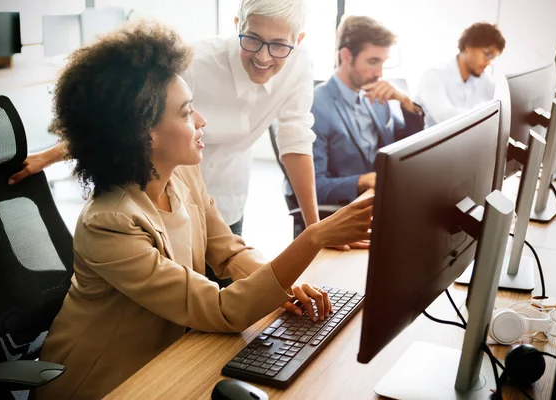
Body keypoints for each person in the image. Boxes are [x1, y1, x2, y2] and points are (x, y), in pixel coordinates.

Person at [33, 21, 372, 400]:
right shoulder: (110, 223)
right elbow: (223, 310)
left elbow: (227, 250)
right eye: (186, 112)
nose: (202, 121)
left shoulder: (185, 175)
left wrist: (285, 288)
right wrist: (314, 236)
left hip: (166, 362)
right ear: (144, 134)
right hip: (102, 382)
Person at [8, 0, 318, 238]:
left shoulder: (298, 66)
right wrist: (51, 155)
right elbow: (123, 115)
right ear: (237, 24)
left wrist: (315, 230)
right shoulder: (198, 62)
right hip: (164, 194)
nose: (263, 57)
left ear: (298, 40)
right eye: (252, 39)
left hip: (226, 196)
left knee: (223, 276)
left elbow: (296, 142)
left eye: (278, 45)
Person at [311, 16, 424, 205]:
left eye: (382, 62)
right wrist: (363, 181)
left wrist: (406, 103)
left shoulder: (377, 96)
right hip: (350, 210)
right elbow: (315, 187)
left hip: (387, 200)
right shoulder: (317, 106)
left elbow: (408, 150)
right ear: (346, 56)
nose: (379, 73)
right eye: (373, 61)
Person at [415, 22, 506, 128]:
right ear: (469, 46)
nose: (488, 62)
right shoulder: (434, 76)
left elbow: (503, 99)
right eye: (487, 54)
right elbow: (445, 118)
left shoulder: (481, 78)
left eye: (492, 58)